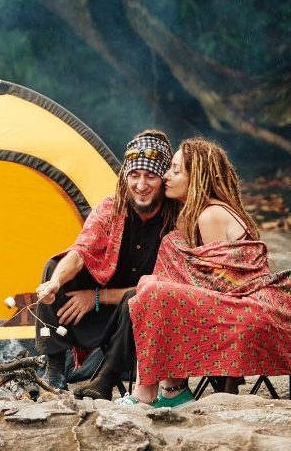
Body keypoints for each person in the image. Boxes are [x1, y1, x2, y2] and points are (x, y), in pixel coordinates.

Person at [117, 136, 291, 408]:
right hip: (237, 304)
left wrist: (159, 288)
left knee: (155, 290)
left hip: (249, 309)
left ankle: (150, 394)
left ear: (197, 177)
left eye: (176, 170)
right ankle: (171, 390)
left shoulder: (210, 215)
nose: (166, 176)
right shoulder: (199, 214)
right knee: (156, 280)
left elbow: (217, 284)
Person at [35, 129, 178, 393]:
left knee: (139, 294)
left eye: (150, 176)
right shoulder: (111, 208)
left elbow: (166, 285)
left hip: (143, 316)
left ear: (163, 179)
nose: (141, 185)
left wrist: (96, 297)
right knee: (54, 266)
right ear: (126, 178)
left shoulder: (177, 219)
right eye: (134, 175)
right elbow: (80, 251)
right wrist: (54, 283)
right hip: (97, 318)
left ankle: (105, 376)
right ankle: (54, 369)